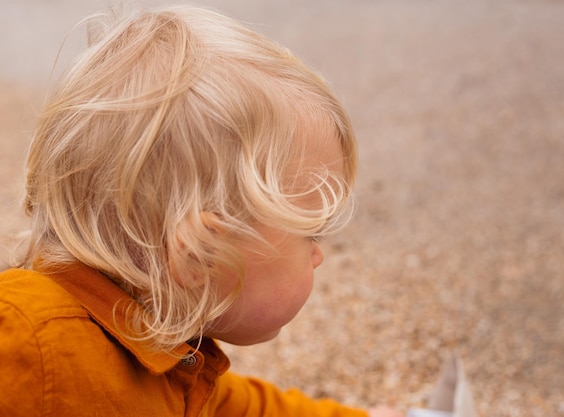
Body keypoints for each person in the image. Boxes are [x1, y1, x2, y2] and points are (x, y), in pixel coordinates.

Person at [0, 5, 403, 417]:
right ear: (200, 254)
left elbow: (241, 409)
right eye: (311, 235)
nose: (318, 256)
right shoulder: (30, 337)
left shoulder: (163, 351)